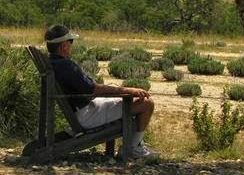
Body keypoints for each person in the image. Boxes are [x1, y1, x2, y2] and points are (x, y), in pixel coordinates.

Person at [44, 24, 159, 158]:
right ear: (64, 46)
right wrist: (128, 90)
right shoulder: (66, 66)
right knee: (146, 103)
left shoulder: (54, 62)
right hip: (86, 115)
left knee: (130, 101)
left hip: (81, 110)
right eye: (70, 42)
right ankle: (133, 149)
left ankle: (135, 145)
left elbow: (89, 88)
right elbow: (93, 89)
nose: (71, 45)